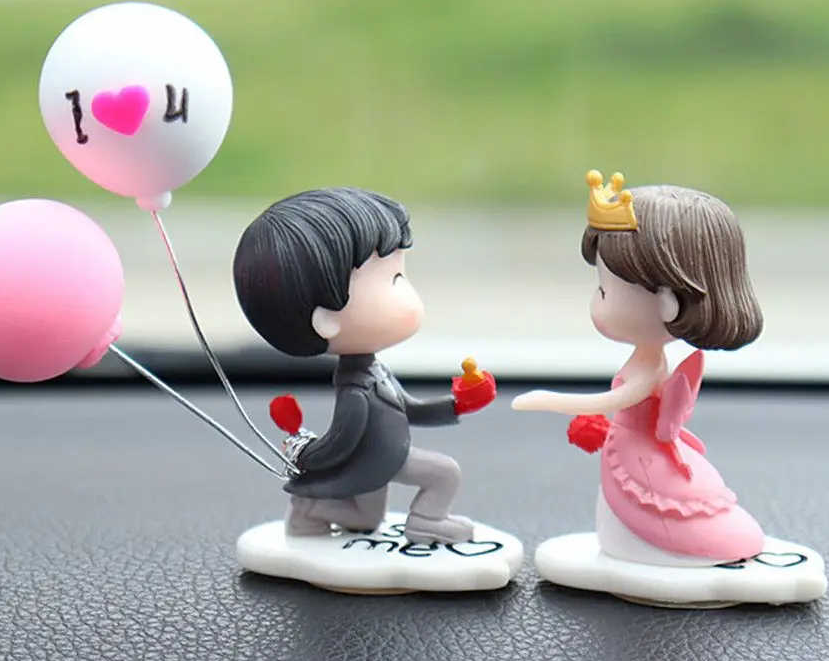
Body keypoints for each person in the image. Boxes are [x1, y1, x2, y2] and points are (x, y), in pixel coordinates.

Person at [513, 171, 766, 565]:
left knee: (629, 508)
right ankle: (629, 545)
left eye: (604, 291)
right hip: (636, 445)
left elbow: (610, 401)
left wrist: (547, 399)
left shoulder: (648, 370)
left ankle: (642, 549)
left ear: (668, 303)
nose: (596, 303)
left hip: (638, 453)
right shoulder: (653, 360)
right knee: (616, 505)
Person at [233, 187, 495, 544]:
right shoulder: (356, 391)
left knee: (366, 519)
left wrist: (458, 404)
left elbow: (410, 409)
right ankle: (427, 521)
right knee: (444, 473)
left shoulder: (375, 373)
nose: (410, 294)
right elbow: (341, 441)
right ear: (326, 319)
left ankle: (309, 512)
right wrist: (308, 457)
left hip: (378, 462)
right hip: (377, 462)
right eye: (394, 280)